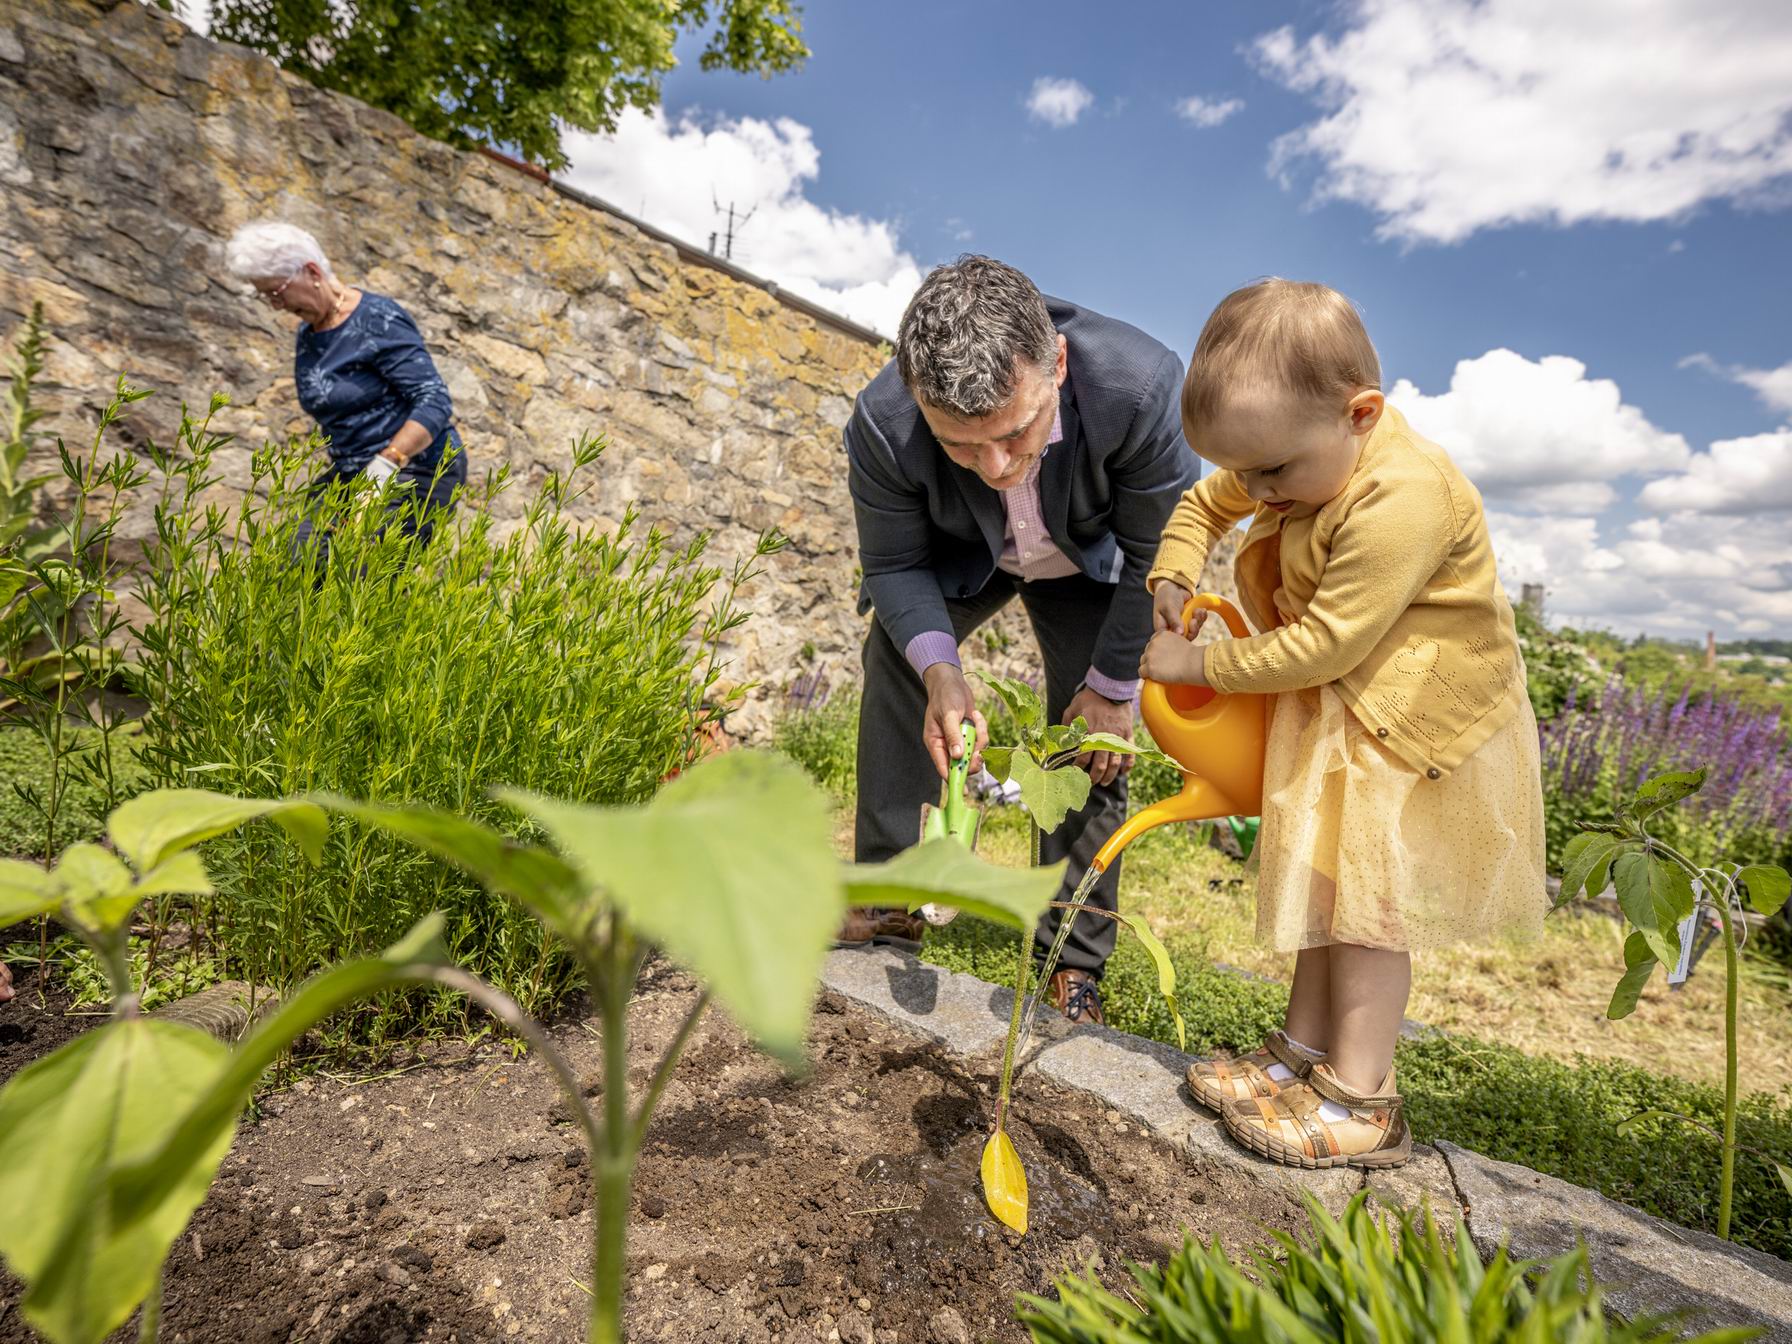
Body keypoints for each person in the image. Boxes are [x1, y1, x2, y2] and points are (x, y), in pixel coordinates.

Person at [1141, 279, 1545, 1168]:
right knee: (1327, 886)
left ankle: (1365, 1098)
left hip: (1406, 711)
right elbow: (1205, 505)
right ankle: (1303, 1057)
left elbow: (1324, 644)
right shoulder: (1294, 455)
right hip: (1348, 699)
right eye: (1244, 470)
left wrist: (1197, 663)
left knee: (1367, 907)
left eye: (1271, 473)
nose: (1255, 492)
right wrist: (1171, 575)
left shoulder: (1403, 496)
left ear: (1359, 414)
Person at [843, 256, 1201, 1024]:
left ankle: (1068, 954)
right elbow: (896, 562)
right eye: (962, 448)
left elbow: (1162, 555)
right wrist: (942, 673)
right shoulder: (882, 422)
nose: (998, 469)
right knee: (899, 661)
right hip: (961, 556)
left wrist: (1111, 687)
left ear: (1059, 365)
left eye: (1015, 432)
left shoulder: (1143, 390)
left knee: (1089, 746)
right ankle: (895, 894)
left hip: (1093, 567)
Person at [224, 222, 466, 561]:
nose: (275, 305)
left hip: (414, 467)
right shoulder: (310, 332)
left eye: (276, 292)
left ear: (311, 272)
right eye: (264, 296)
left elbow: (434, 400)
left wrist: (386, 465)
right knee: (294, 562)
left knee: (358, 578)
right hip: (352, 471)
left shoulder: (378, 319)